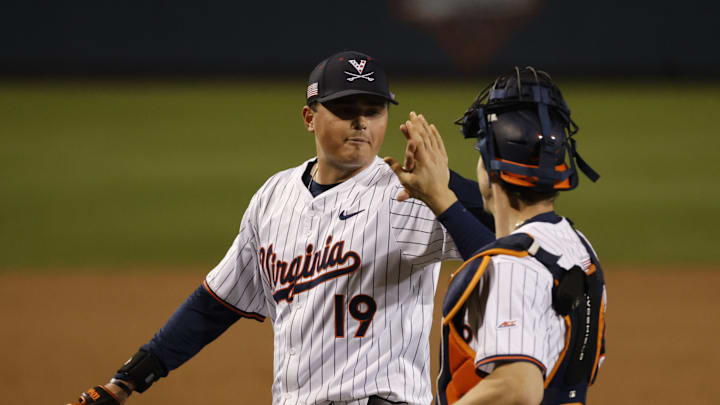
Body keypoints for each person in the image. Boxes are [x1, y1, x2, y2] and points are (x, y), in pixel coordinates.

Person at [66, 51, 494, 405]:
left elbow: (514, 240)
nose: (361, 123)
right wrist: (126, 382)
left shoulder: (411, 190)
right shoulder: (273, 197)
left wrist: (450, 191)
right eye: (345, 110)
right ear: (310, 118)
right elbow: (213, 304)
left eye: (373, 110)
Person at [385, 67, 607, 404]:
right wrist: (441, 194)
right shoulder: (576, 247)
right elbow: (510, 263)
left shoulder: (510, 268)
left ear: (490, 172)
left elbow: (517, 388)